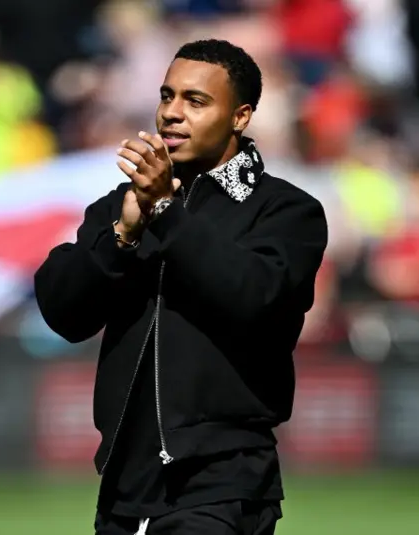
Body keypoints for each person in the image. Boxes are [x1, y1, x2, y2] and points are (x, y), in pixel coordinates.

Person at [35, 39, 328, 535]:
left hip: (223, 481)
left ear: (240, 117)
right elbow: (64, 313)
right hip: (124, 485)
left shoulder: (285, 210)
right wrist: (123, 235)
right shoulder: (122, 204)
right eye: (166, 96)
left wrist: (167, 215)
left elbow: (254, 296)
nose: (172, 113)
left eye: (195, 101)